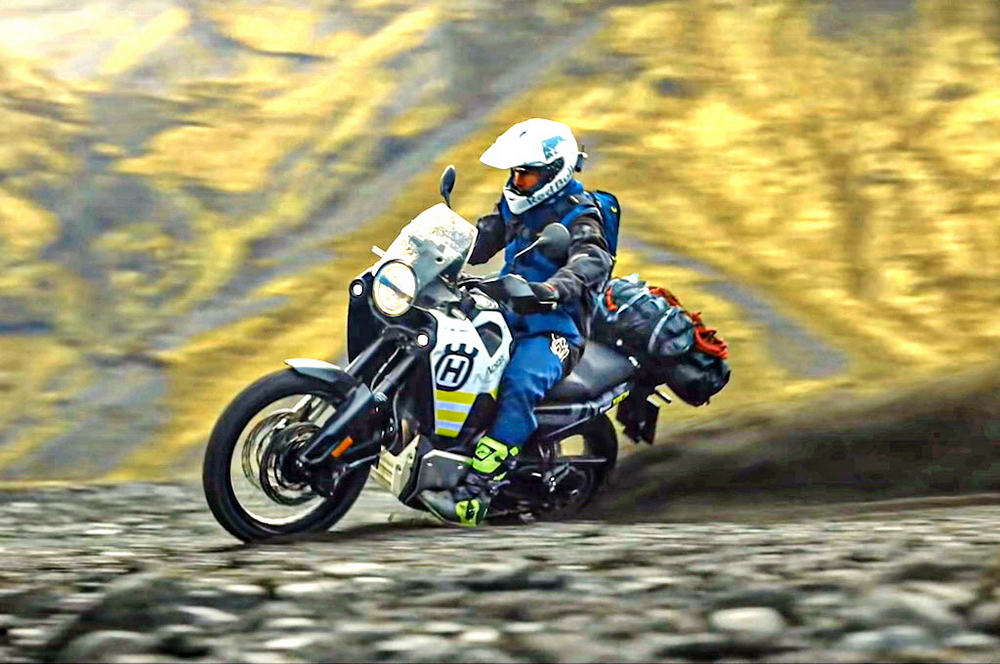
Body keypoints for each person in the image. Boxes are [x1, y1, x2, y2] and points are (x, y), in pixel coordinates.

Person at [420, 118, 614, 526]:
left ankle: (477, 491)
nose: (516, 181)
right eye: (514, 173)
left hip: (556, 329)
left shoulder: (582, 215)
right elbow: (480, 241)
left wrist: (555, 288)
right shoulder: (516, 204)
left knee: (519, 385)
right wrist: (436, 249)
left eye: (525, 175)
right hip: (508, 312)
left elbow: (591, 260)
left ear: (553, 173)